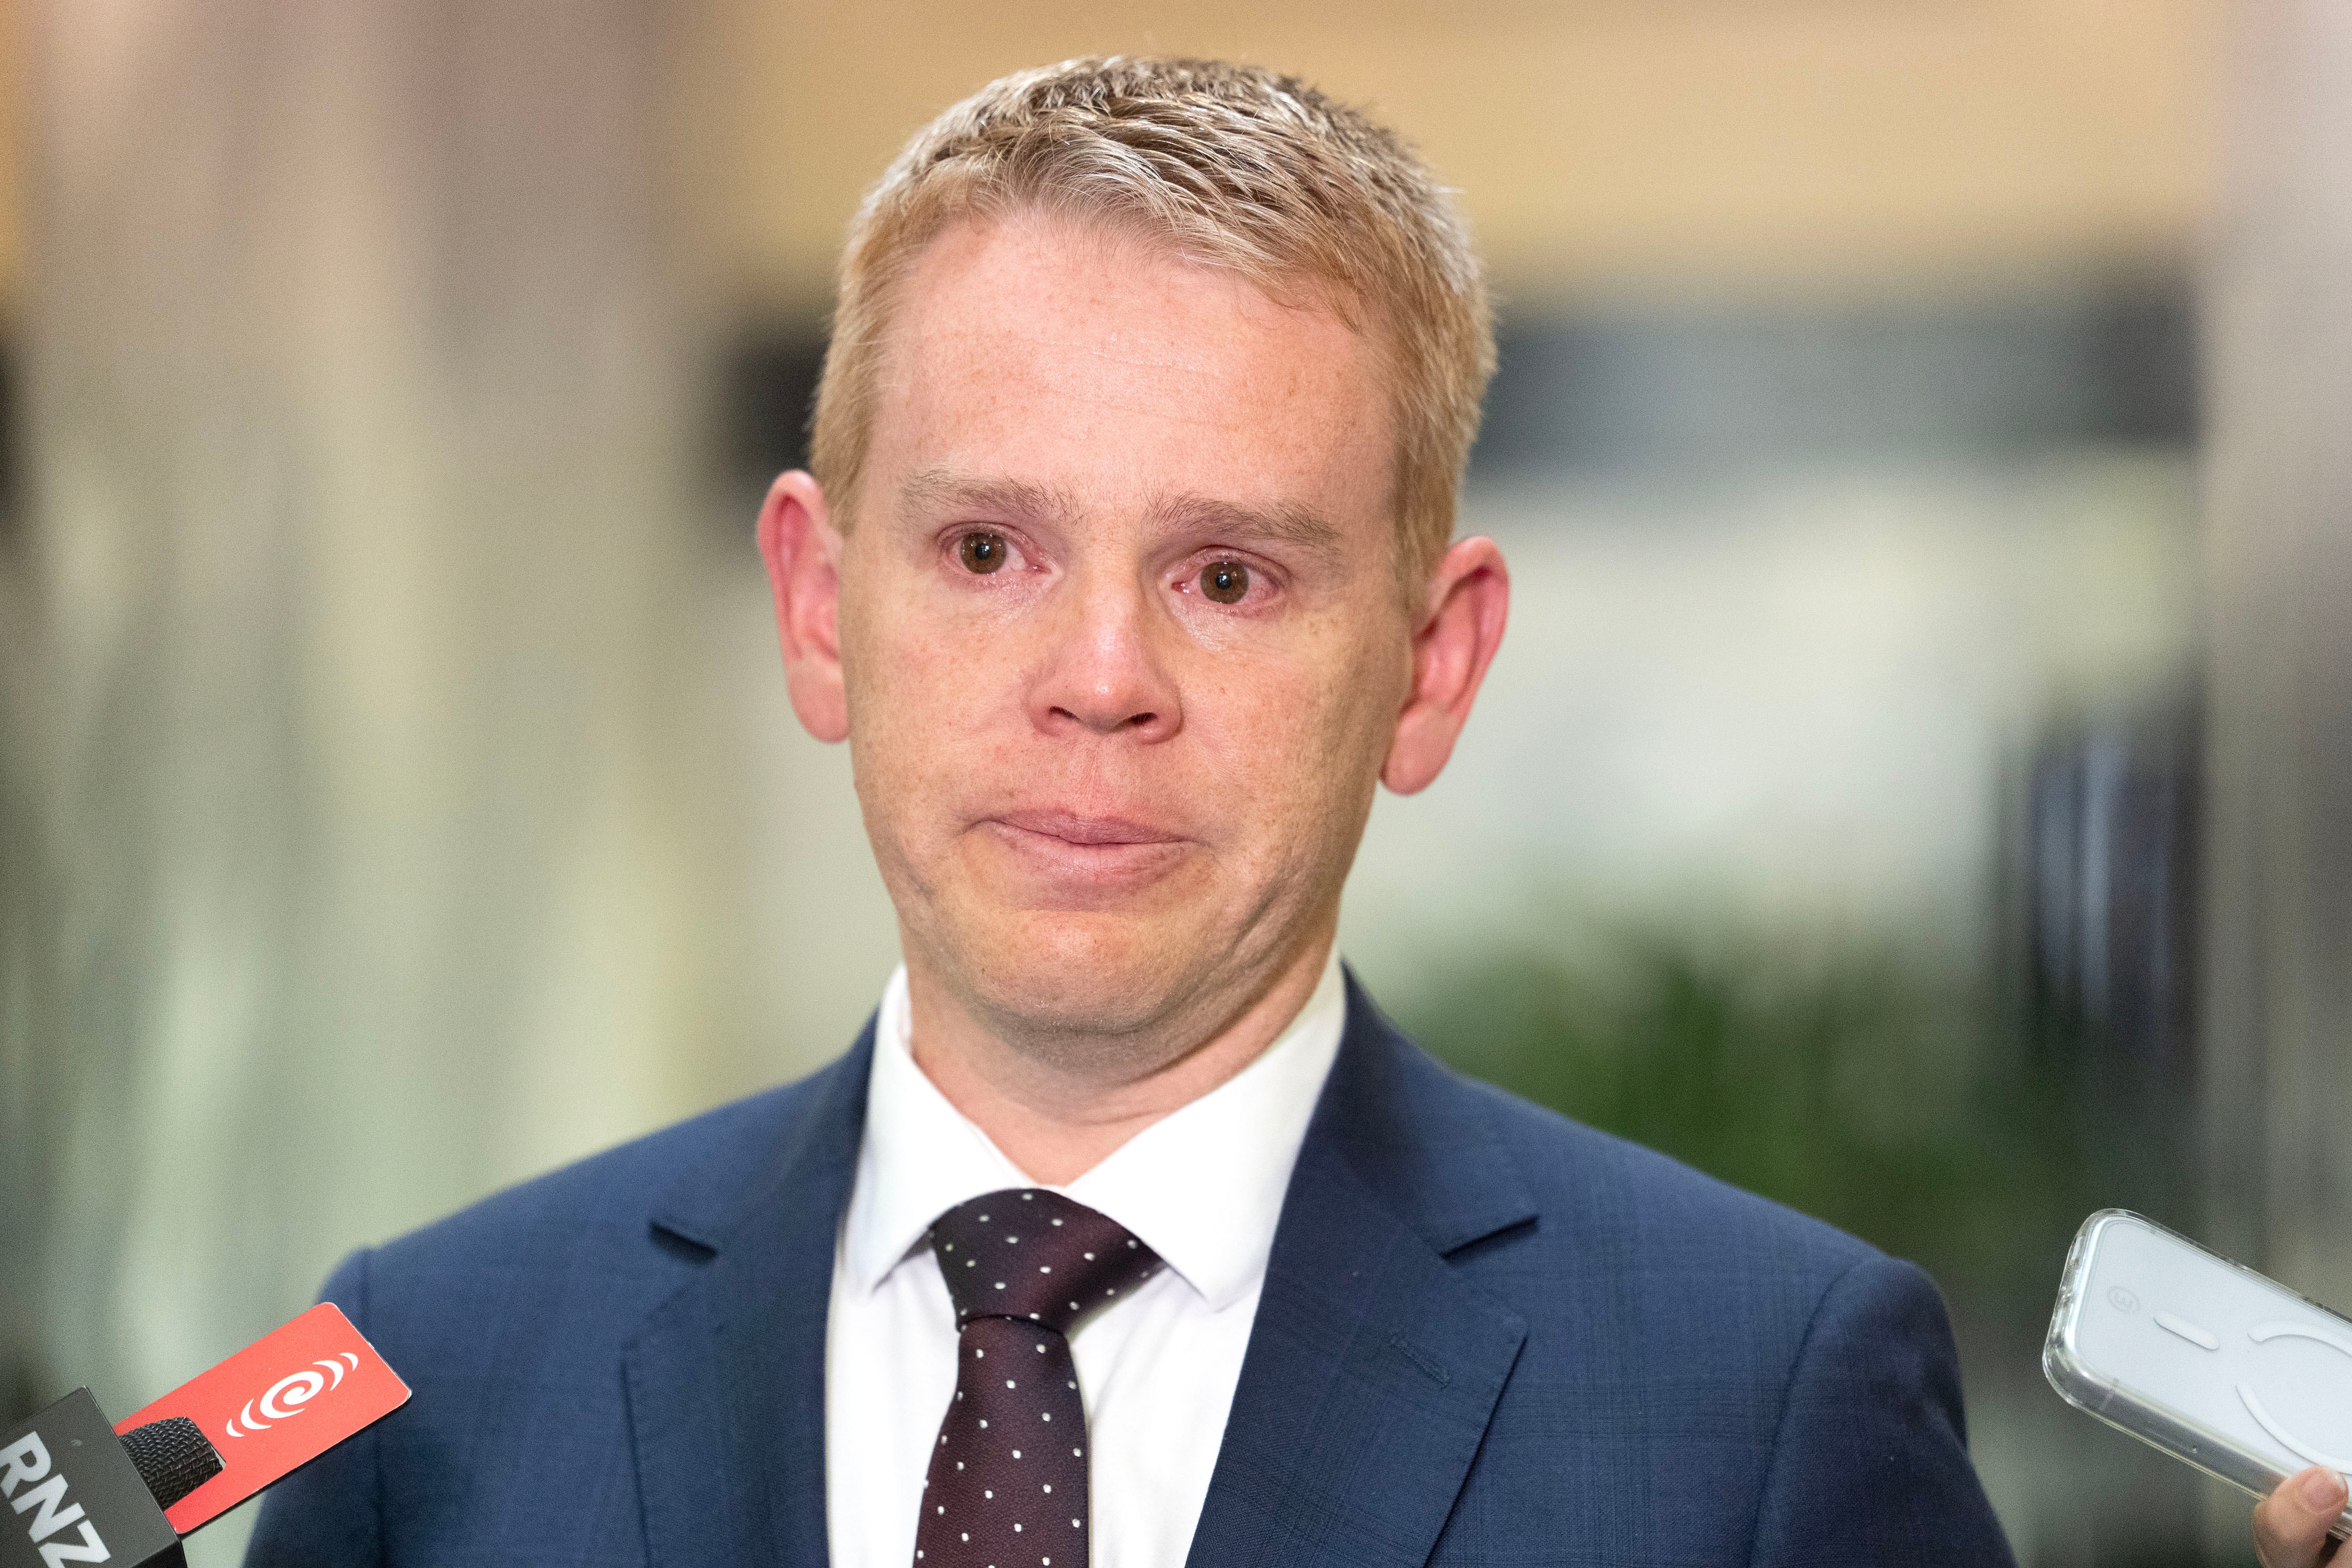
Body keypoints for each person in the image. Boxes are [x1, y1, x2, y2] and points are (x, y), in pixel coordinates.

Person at [247, 56, 2022, 1566]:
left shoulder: (1759, 1406)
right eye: (986, 551)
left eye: (1231, 577)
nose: (1102, 676)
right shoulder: (423, 1375)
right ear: (815, 610)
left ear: (1427, 666)